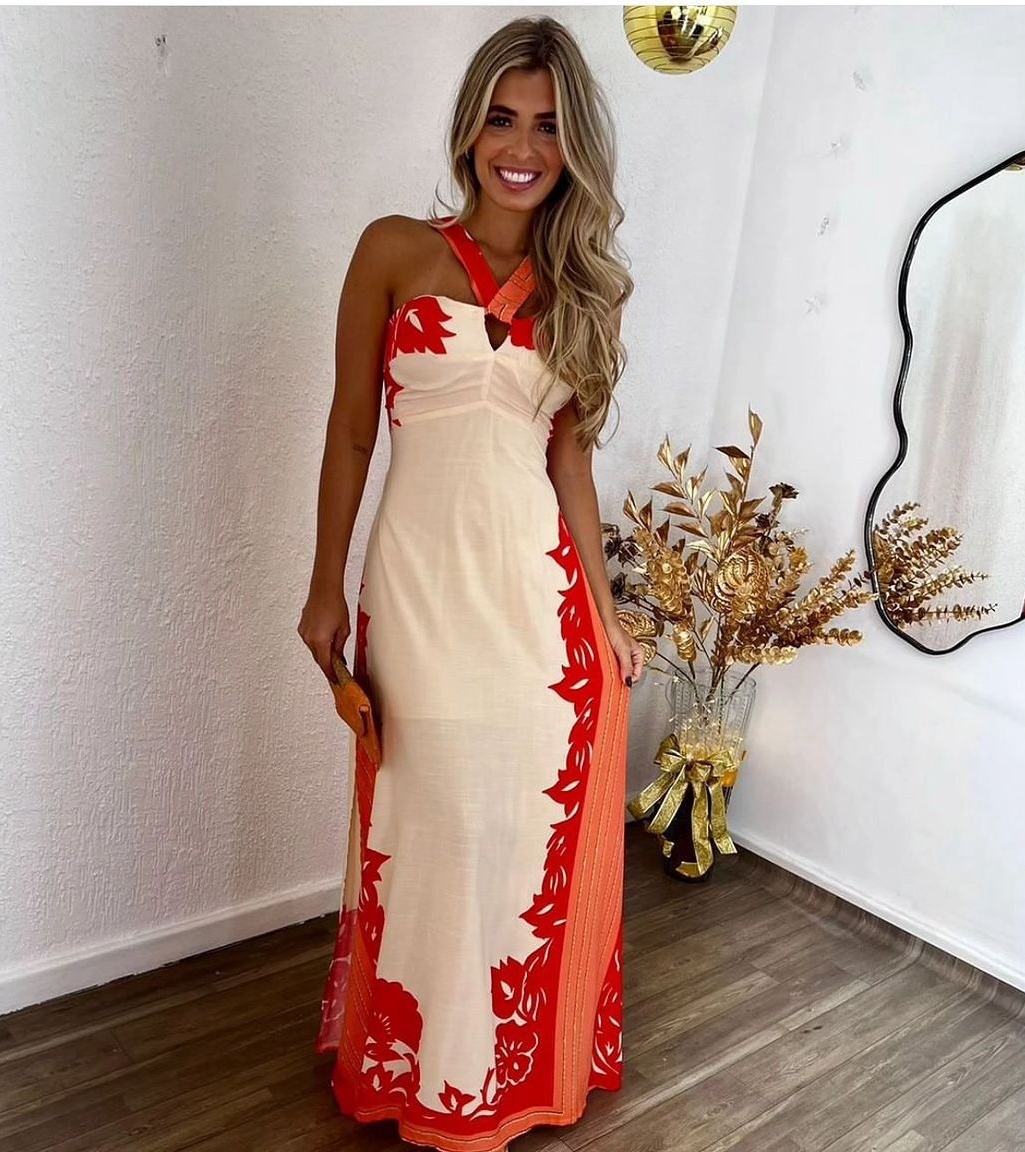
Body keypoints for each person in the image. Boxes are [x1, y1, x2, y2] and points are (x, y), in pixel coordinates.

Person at [297, 15, 643, 1151]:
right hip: (416, 590)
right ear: (469, 128)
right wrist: (324, 587)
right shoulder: (394, 250)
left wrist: (606, 615)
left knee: (506, 829)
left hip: (537, 611)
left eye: (547, 126)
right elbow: (352, 432)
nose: (522, 147)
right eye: (502, 118)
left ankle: (489, 1076)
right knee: (428, 820)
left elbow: (572, 470)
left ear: (574, 147)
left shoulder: (585, 292)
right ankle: (425, 1067)